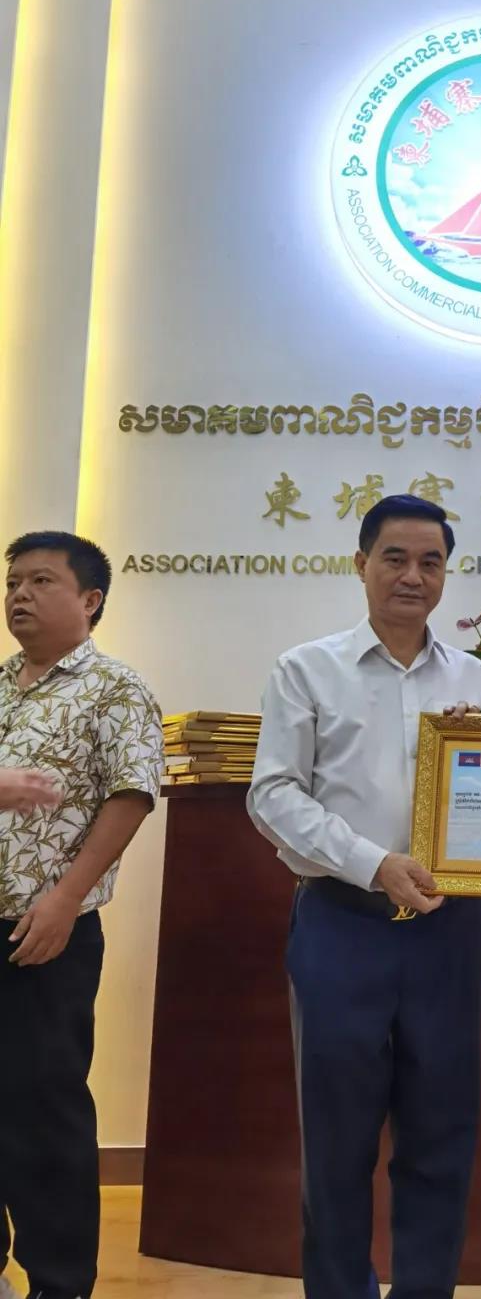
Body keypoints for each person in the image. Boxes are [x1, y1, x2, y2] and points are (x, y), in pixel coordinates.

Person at [248, 494, 481, 1299]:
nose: (412, 575)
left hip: (449, 932)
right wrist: (373, 863)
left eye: (431, 561)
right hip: (342, 923)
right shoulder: (306, 668)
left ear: (446, 574)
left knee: (442, 1132)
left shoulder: (476, 679)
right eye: (395, 557)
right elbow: (274, 793)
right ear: (360, 562)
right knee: (337, 1139)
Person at [0, 532, 163, 1299]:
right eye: (13, 582)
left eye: (40, 581)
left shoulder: (114, 687)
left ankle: (59, 1281)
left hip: (46, 931)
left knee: (44, 1106)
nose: (19, 595)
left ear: (90, 599)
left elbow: (132, 794)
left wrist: (66, 898)